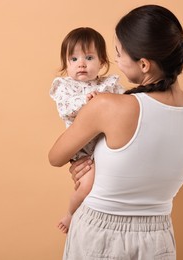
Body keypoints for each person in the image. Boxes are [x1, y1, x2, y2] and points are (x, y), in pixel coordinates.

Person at [49, 4, 183, 260]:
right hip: (158, 237)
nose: (117, 62)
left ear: (144, 64)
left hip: (99, 233)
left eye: (119, 53)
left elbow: (56, 157)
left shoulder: (107, 105)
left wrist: (83, 165)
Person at [49, 27, 124, 234]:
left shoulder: (108, 84)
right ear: (66, 63)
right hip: (83, 150)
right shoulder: (65, 87)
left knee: (106, 185)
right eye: (73, 59)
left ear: (102, 62)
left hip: (106, 145)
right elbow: (66, 108)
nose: (81, 64)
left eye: (89, 57)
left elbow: (127, 103)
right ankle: (70, 214)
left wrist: (108, 100)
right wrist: (87, 101)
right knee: (87, 185)